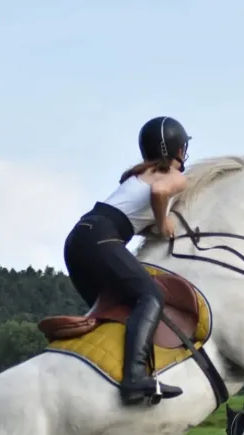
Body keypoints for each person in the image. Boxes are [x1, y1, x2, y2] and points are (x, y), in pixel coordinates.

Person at [63, 116, 192, 406]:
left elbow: (132, 215)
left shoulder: (138, 175)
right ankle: (134, 378)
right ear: (179, 150)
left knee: (113, 311)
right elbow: (160, 194)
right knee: (151, 295)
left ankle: (103, 373)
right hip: (101, 238)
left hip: (79, 239)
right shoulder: (173, 176)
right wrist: (163, 222)